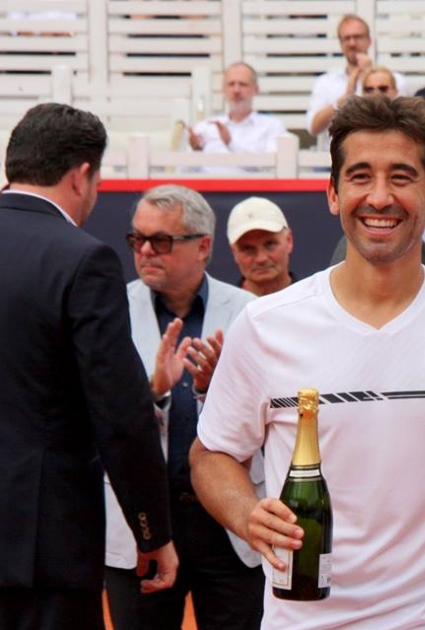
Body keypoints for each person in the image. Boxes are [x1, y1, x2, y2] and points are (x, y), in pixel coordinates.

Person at [189, 95, 425, 629]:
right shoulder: (265, 325)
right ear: (332, 192)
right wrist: (247, 515)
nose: (379, 197)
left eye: (401, 177)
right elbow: (211, 455)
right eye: (359, 176)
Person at [0, 103, 178, 630]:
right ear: (81, 175)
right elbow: (121, 415)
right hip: (42, 550)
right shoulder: (83, 259)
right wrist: (152, 533)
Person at [104, 185, 261, 630]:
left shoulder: (249, 313)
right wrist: (153, 392)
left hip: (227, 519)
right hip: (142, 520)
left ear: (204, 246)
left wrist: (213, 394)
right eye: (138, 239)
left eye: (162, 241)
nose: (146, 251)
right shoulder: (109, 309)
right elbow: (94, 416)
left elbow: (270, 418)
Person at [305, 14, 408, 147]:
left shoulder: (395, 80)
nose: (352, 43)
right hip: (333, 160)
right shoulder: (326, 82)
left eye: (358, 37)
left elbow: (405, 123)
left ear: (369, 40)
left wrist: (370, 76)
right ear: (341, 44)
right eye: (347, 38)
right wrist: (344, 98)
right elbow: (313, 128)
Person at [187, 62, 288, 172]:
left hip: (253, 188)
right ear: (223, 89)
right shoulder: (205, 127)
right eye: (231, 84)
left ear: (256, 89)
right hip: (206, 188)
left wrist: (231, 144)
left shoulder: (272, 126)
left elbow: (271, 168)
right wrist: (196, 153)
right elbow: (184, 173)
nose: (236, 90)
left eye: (243, 84)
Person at [228, 196, 295, 296]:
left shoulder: (319, 306)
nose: (261, 259)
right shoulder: (218, 310)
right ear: (234, 253)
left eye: (270, 244)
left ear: (289, 241)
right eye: (248, 249)